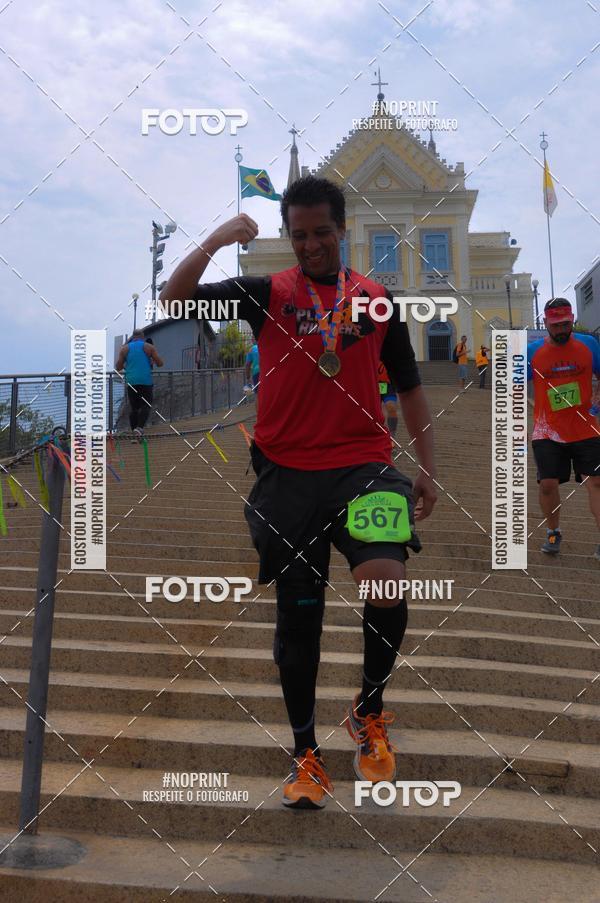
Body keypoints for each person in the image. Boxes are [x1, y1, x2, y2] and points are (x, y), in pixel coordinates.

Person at [160, 175, 437, 809]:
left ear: (343, 230)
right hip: (286, 472)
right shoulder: (267, 294)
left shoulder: (374, 301)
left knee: (386, 578)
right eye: (299, 235)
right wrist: (217, 238)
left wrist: (428, 467)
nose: (310, 245)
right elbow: (175, 301)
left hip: (364, 464)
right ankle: (306, 754)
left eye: (321, 233)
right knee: (300, 616)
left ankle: (368, 709)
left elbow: (413, 386)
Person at [527, 298, 600, 559]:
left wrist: (597, 401)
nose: (561, 330)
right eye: (556, 325)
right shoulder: (532, 351)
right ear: (545, 323)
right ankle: (553, 532)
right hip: (547, 431)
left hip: (586, 428)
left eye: (566, 324)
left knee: (597, 481)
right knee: (547, 484)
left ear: (572, 320)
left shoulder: (589, 345)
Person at [115, 329, 163, 440]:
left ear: (132, 337)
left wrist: (128, 363)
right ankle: (139, 428)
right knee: (146, 405)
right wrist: (151, 361)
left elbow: (118, 367)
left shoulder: (124, 349)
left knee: (134, 408)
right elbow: (160, 363)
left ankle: (134, 435)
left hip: (131, 381)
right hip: (145, 380)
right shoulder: (149, 347)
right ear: (142, 336)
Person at [377, 361, 398, 437]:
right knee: (373, 411)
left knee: (391, 407)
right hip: (372, 384)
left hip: (387, 385)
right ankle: (376, 434)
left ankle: (392, 436)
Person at [245, 342, 260, 408]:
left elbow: (248, 364)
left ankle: (259, 415)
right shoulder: (266, 346)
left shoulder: (251, 349)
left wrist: (248, 377)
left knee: (257, 395)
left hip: (256, 373)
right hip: (267, 371)